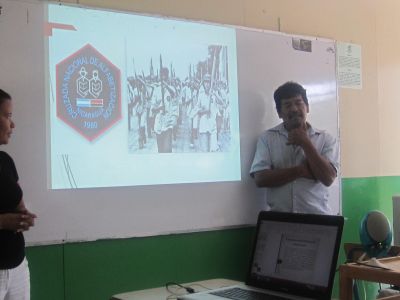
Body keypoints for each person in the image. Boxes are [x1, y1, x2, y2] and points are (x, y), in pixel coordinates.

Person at [249, 81, 338, 214]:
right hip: (280, 221)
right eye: (287, 105)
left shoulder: (326, 139)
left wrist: (305, 143)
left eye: (298, 103)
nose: (294, 109)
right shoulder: (267, 138)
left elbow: (328, 178)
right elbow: (261, 178)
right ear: (279, 113)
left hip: (318, 220)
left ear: (307, 107)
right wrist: (301, 171)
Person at [0, 89, 36, 300]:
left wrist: (25, 217)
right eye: (7, 116)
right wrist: (3, 222)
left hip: (17, 265)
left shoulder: (5, 161)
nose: (12, 125)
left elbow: (18, 205)